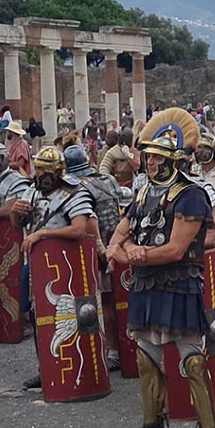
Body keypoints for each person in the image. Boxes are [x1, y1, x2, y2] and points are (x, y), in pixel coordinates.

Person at [106, 109, 215, 428]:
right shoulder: (143, 194)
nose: (149, 162)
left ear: (172, 159)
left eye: (156, 157)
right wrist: (121, 249)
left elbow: (176, 249)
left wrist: (136, 255)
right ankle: (152, 425)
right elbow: (121, 232)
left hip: (178, 283)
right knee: (145, 356)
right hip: (145, 284)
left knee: (192, 362)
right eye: (148, 156)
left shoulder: (191, 195)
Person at [17, 146, 94, 390]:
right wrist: (16, 214)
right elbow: (20, 225)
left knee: (72, 316)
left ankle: (83, 370)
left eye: (41, 169)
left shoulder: (74, 192)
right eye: (36, 168)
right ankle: (46, 367)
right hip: (36, 263)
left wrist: (43, 233)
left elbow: (79, 229)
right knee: (36, 315)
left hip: (64, 266)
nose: (36, 172)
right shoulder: (32, 191)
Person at [63, 143, 124, 371]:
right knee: (112, 301)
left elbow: (89, 220)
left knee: (101, 304)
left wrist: (100, 247)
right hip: (117, 244)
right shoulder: (107, 180)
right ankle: (117, 349)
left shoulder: (76, 187)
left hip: (97, 248)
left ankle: (112, 351)